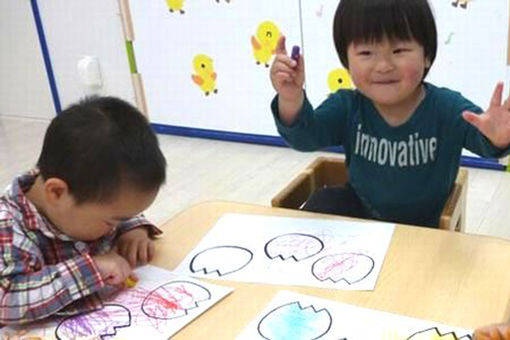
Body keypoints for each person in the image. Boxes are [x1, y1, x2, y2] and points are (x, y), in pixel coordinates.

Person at [269, 0, 510, 227]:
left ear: (426, 55)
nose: (383, 65)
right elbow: (307, 137)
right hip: (361, 213)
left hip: (424, 225)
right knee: (323, 200)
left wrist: (497, 137)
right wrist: (291, 97)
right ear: (346, 60)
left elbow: (484, 140)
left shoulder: (447, 107)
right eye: (366, 53)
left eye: (399, 50)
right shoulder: (347, 106)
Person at [0, 96, 167, 324]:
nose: (114, 228)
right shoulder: (8, 228)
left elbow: (119, 206)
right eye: (111, 222)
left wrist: (133, 229)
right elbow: (8, 301)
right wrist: (92, 268)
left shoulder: (82, 193)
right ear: (57, 193)